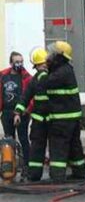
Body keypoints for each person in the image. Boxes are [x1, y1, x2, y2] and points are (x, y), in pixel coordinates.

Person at [45, 41, 85, 182]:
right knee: (74, 146)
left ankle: (57, 177)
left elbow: (44, 83)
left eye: (51, 54)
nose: (48, 57)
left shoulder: (60, 72)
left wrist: (42, 72)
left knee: (58, 147)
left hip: (62, 118)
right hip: (71, 117)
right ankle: (79, 172)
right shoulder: (65, 69)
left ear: (59, 56)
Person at [14, 48, 49, 181]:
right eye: (41, 65)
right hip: (45, 121)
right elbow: (25, 97)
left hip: (46, 121)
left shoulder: (50, 78)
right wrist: (18, 112)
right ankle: (39, 174)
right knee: (38, 148)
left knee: (41, 148)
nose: (43, 67)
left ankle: (40, 174)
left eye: (43, 64)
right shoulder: (38, 80)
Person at [0, 51, 32, 166]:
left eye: (21, 61)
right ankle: (11, 165)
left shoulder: (26, 77)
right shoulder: (3, 75)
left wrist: (26, 110)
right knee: (9, 140)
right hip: (7, 112)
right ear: (11, 63)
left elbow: (31, 95)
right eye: (16, 62)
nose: (19, 64)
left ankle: (27, 165)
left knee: (23, 139)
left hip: (22, 113)